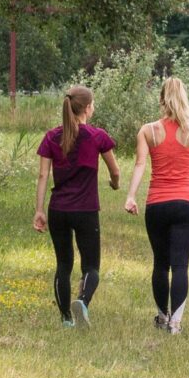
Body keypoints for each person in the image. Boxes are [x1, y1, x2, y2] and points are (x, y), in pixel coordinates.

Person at [33, 86, 120, 329]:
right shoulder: (97, 136)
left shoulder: (52, 136)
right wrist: (114, 184)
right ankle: (82, 301)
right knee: (91, 266)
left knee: (63, 264)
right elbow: (115, 171)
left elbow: (42, 175)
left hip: (58, 209)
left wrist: (39, 210)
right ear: (88, 107)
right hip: (86, 210)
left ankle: (66, 320)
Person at [124, 78, 189, 335]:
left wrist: (131, 196)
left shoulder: (148, 131)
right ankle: (176, 323)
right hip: (185, 204)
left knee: (161, 264)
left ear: (161, 100)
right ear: (184, 98)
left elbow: (140, 164)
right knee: (180, 265)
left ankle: (162, 315)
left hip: (157, 205)